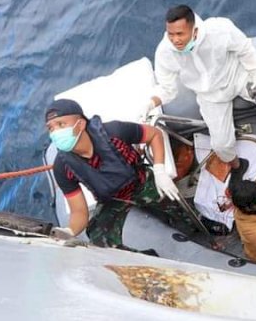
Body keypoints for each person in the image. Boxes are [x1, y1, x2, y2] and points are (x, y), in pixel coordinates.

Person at [148, 4, 256, 188]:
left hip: (237, 76)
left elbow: (245, 48)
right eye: (171, 34)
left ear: (194, 29)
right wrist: (151, 103)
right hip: (210, 96)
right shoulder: (165, 53)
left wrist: (254, 73)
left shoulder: (219, 29)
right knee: (221, 145)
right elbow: (167, 88)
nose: (175, 40)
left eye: (180, 34)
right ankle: (238, 167)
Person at [46, 99, 180, 251]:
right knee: (99, 239)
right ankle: (142, 261)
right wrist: (69, 231)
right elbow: (79, 211)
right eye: (50, 128)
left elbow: (154, 135)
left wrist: (159, 171)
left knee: (177, 205)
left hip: (141, 182)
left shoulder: (115, 132)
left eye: (61, 124)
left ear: (81, 124)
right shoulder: (63, 167)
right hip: (112, 199)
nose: (55, 132)